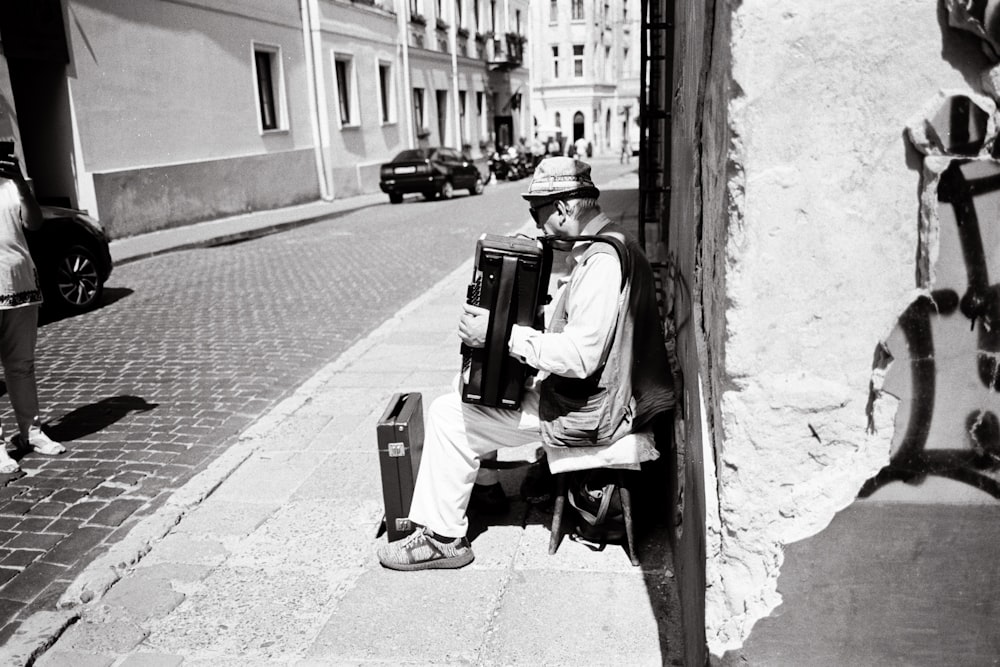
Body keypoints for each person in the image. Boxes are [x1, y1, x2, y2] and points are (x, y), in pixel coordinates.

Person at [377, 157, 675, 570]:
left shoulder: (603, 263)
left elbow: (579, 358)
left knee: (449, 414)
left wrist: (502, 338)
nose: (537, 227)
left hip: (595, 410)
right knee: (469, 386)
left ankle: (444, 538)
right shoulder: (614, 242)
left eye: (539, 214)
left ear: (565, 209)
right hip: (601, 395)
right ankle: (484, 486)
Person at [0, 144, 65, 474]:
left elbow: (35, 223)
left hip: (19, 284)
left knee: (21, 365)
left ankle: (32, 432)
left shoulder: (11, 183)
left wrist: (21, 184)